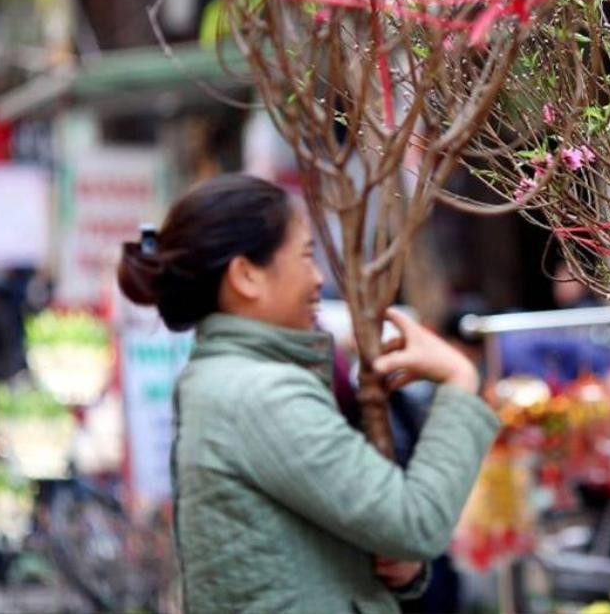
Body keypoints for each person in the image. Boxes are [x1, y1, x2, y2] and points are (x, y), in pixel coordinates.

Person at [117, 174, 498, 614]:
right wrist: (459, 379)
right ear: (246, 276)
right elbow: (412, 522)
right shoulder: (258, 393)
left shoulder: (231, 381)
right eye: (305, 256)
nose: (318, 278)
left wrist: (393, 562)